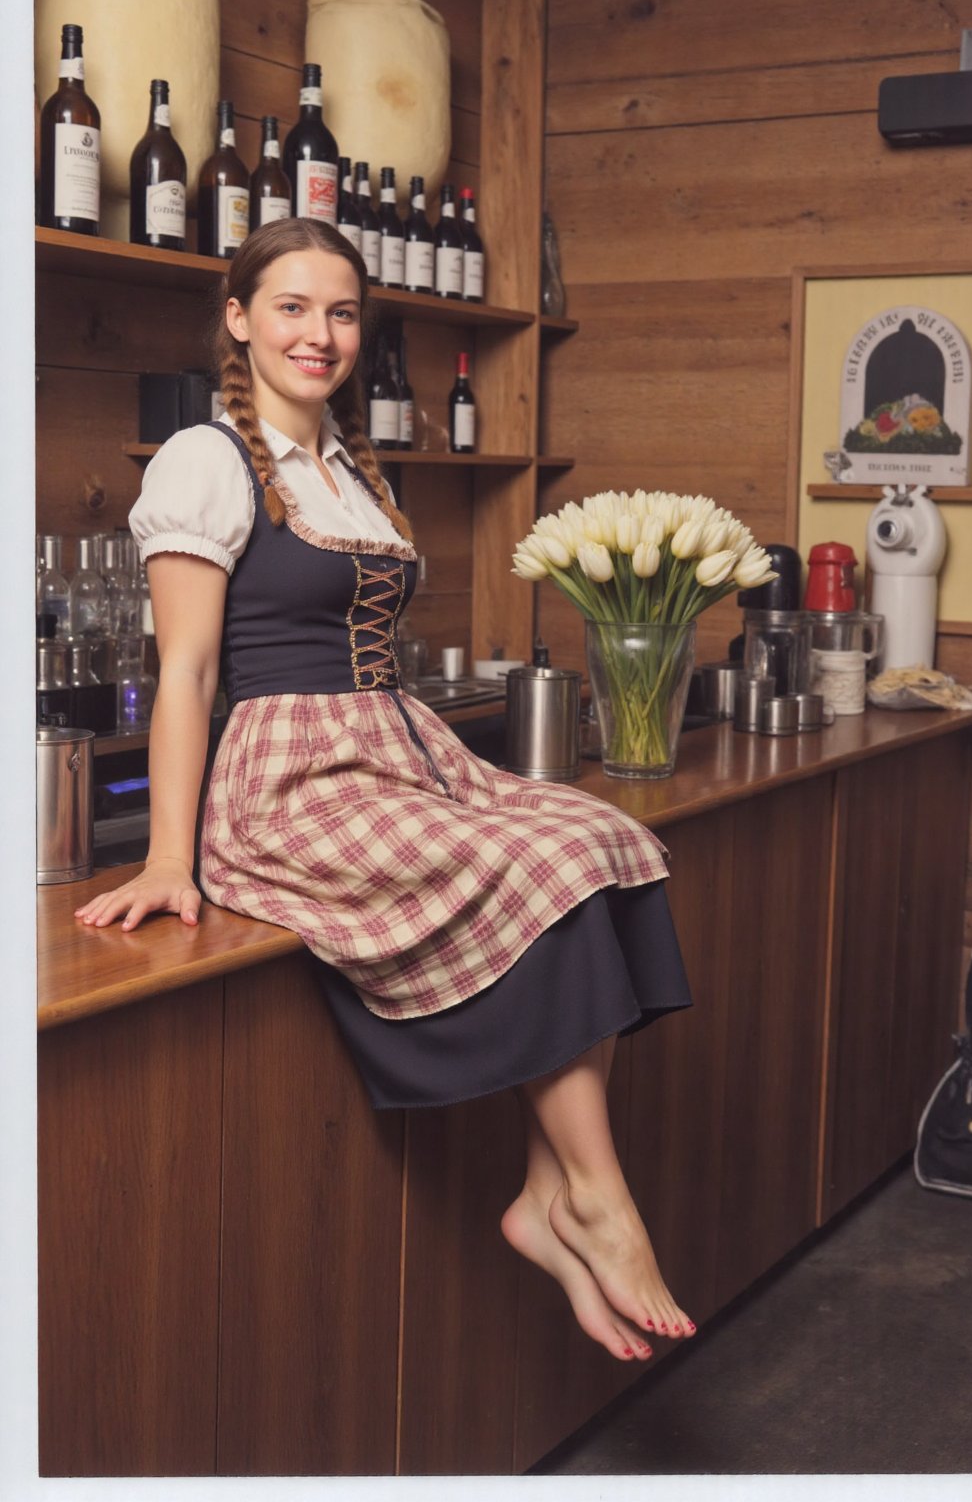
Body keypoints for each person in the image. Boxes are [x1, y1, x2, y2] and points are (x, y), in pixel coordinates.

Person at [76, 218, 696, 1363]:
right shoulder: (206, 459)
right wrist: (172, 857)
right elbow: (188, 673)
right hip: (288, 775)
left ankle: (545, 1192)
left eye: (342, 312)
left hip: (396, 748)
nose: (320, 334)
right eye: (294, 308)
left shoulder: (349, 466)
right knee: (541, 865)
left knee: (600, 840)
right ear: (239, 317)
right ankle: (596, 1200)